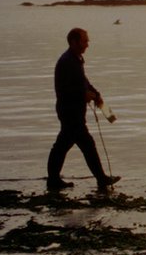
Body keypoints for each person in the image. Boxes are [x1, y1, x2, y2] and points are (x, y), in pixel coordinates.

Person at [46, 28, 121, 191]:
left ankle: (53, 180)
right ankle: (101, 179)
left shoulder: (75, 59)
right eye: (85, 41)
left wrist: (96, 94)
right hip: (69, 111)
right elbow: (66, 89)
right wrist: (84, 95)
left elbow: (83, 82)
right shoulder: (67, 61)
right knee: (83, 144)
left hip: (73, 111)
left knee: (63, 145)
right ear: (74, 42)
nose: (87, 44)